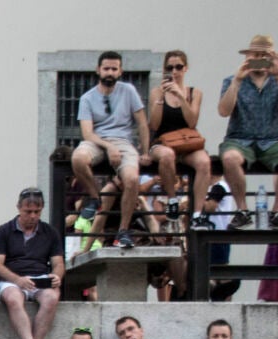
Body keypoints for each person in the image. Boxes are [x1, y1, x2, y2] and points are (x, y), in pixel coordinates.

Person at [72, 51, 151, 248]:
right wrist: (108, 147)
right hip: (97, 141)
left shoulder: (129, 91)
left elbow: (142, 123)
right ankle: (94, 197)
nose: (110, 72)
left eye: (114, 69)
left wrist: (145, 152)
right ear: (98, 70)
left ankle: (123, 231)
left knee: (132, 179)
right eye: (106, 68)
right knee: (78, 158)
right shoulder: (87, 98)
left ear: (120, 71)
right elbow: (87, 133)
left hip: (124, 142)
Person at [0, 188, 64, 339]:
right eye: (28, 211)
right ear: (18, 208)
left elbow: (58, 263)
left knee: (52, 298)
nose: (32, 216)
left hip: (40, 277)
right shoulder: (4, 231)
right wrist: (17, 280)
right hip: (11, 278)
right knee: (13, 298)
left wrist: (57, 276)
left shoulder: (50, 232)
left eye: (37, 212)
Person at [216, 35, 278, 230]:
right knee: (230, 158)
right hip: (239, 138)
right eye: (255, 55)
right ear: (248, 56)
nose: (259, 60)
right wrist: (237, 81)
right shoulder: (232, 80)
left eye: (264, 56)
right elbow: (223, 111)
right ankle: (242, 210)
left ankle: (276, 212)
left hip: (272, 139)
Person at [148, 51, 214, 224]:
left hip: (186, 144)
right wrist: (161, 99)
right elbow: (154, 125)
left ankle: (197, 214)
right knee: (167, 155)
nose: (174, 71)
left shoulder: (195, 93)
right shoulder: (156, 92)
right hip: (162, 142)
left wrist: (181, 97)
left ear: (186, 68)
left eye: (178, 67)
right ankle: (172, 200)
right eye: (170, 68)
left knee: (204, 162)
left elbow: (192, 122)